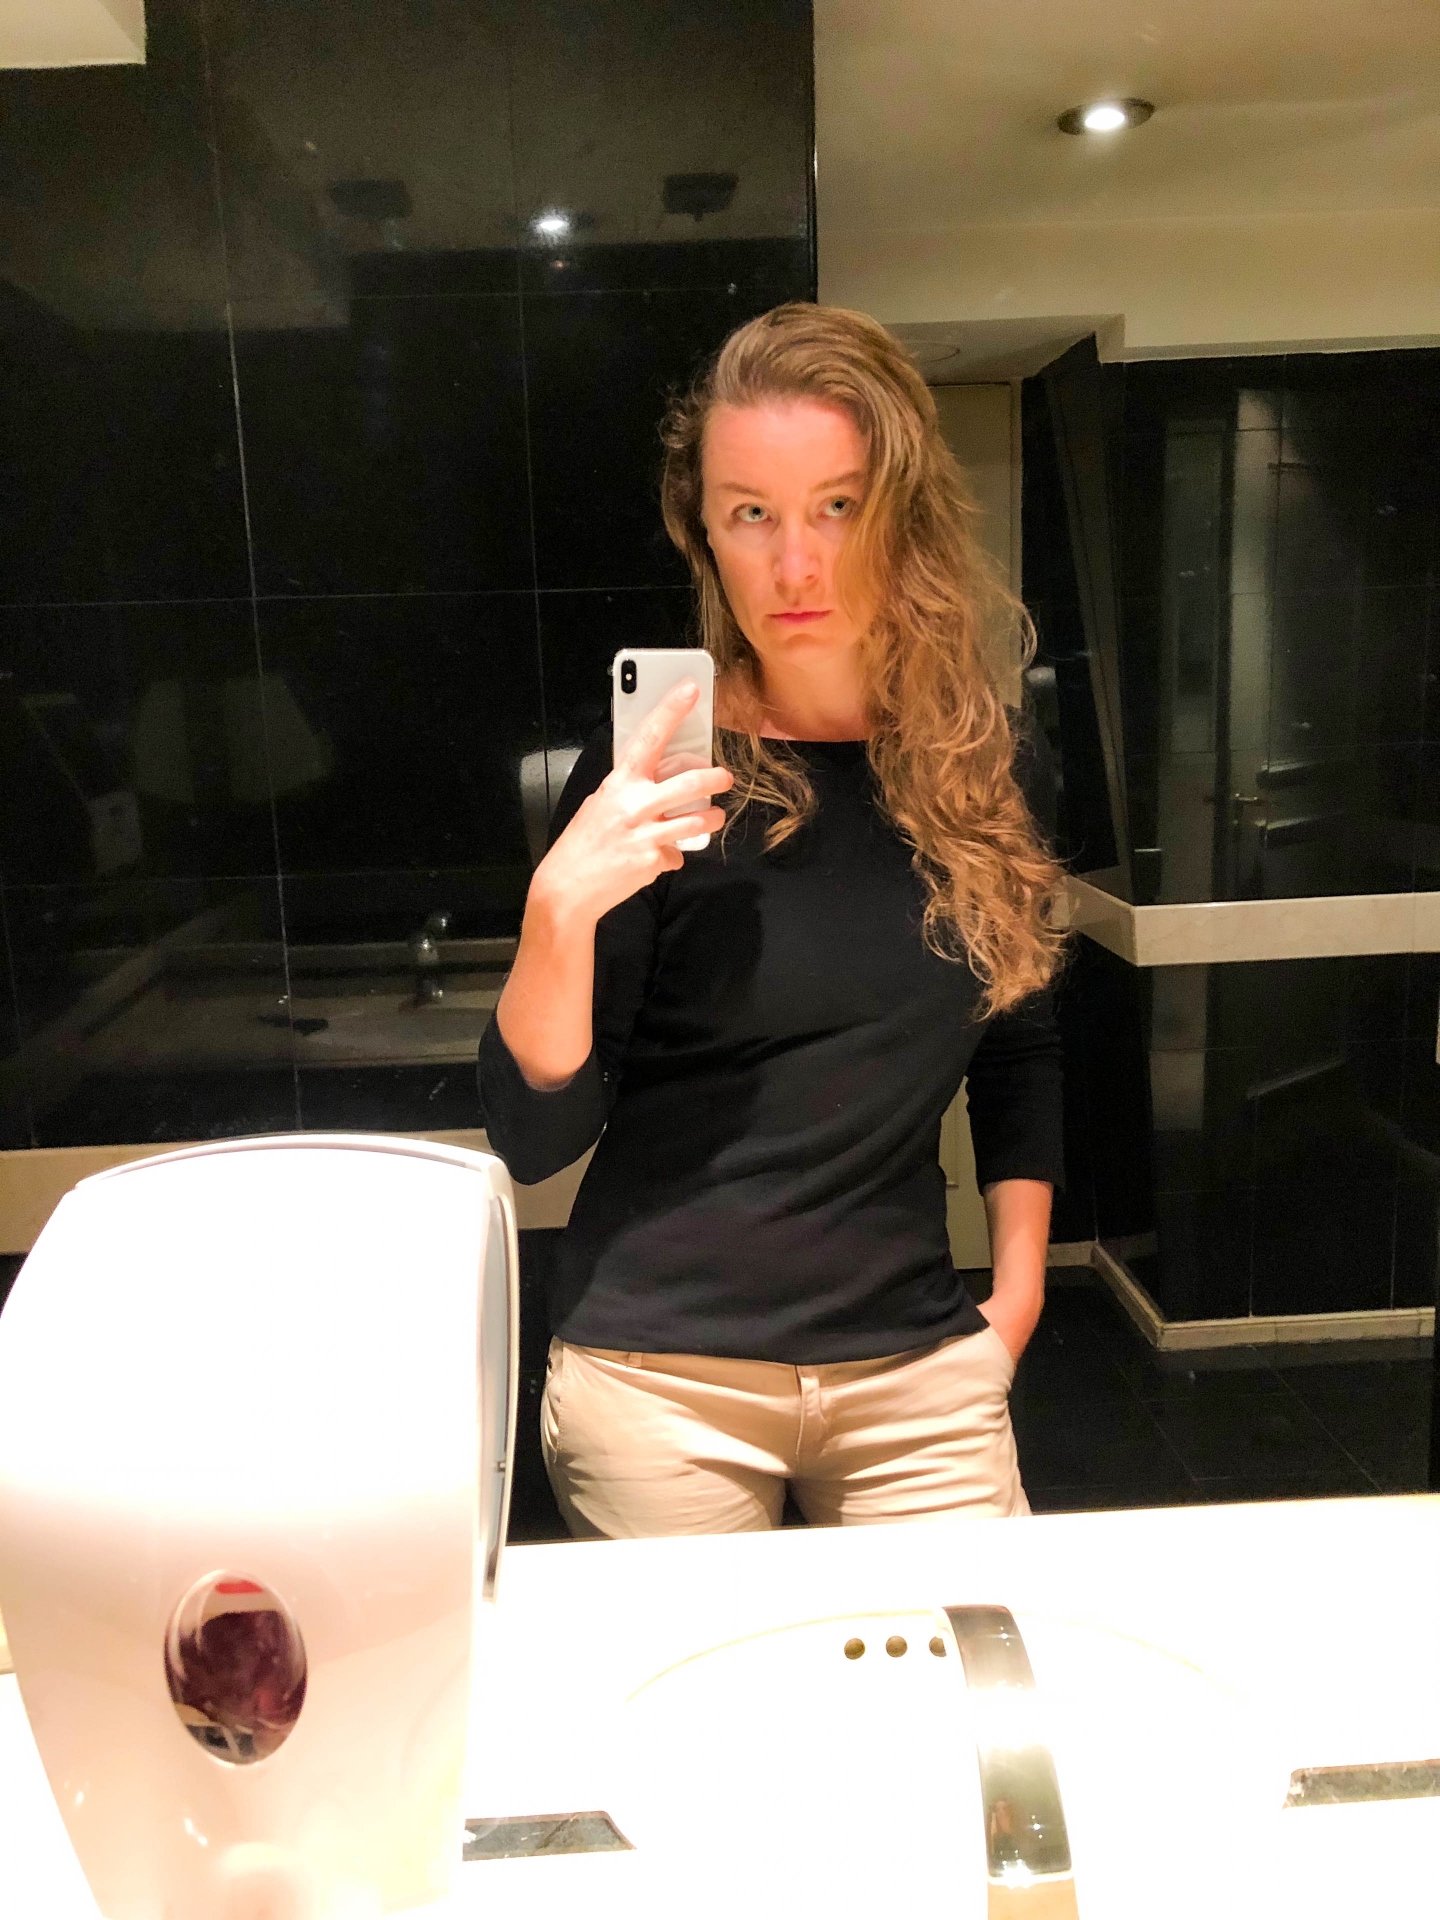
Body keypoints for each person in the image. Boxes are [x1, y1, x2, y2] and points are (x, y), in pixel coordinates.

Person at [478, 302, 1066, 1539]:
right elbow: (537, 1139)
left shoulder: (986, 767)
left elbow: (1019, 1044)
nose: (796, 566)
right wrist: (556, 913)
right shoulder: (654, 777)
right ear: (705, 532)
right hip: (659, 1376)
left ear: (901, 513)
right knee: (707, 1676)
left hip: (917, 1367)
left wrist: (1011, 1306)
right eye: (752, 513)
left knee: (965, 1662)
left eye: (836, 506)